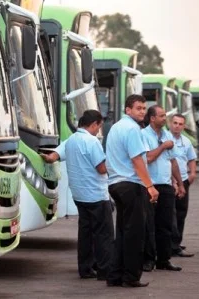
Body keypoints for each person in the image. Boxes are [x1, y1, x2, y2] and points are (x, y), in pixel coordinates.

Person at [106, 94, 158, 288]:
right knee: (135, 234)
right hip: (131, 184)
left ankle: (115, 276)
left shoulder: (116, 127)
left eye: (144, 108)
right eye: (138, 108)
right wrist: (150, 186)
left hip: (115, 184)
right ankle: (131, 277)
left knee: (122, 232)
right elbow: (137, 160)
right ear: (128, 110)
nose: (142, 112)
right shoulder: (133, 129)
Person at [63, 110, 114, 280]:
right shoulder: (92, 142)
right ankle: (104, 270)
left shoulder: (70, 140)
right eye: (99, 127)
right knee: (103, 234)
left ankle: (85, 269)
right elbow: (101, 168)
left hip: (79, 194)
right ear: (94, 124)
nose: (98, 130)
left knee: (85, 233)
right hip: (96, 194)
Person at [141, 105, 185, 272]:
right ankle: (148, 259)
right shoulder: (143, 135)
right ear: (152, 118)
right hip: (150, 185)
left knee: (165, 224)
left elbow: (173, 162)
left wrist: (180, 183)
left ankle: (164, 259)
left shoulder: (166, 134)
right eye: (161, 116)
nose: (164, 118)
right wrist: (163, 146)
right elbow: (148, 158)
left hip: (166, 185)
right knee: (149, 224)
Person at [169, 113, 197, 257]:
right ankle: (171, 245)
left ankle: (176, 243)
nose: (177, 126)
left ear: (184, 126)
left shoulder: (186, 141)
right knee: (170, 214)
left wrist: (192, 173)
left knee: (181, 213)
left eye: (180, 124)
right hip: (168, 182)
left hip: (184, 181)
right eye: (175, 123)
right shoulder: (165, 139)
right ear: (170, 123)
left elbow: (192, 159)